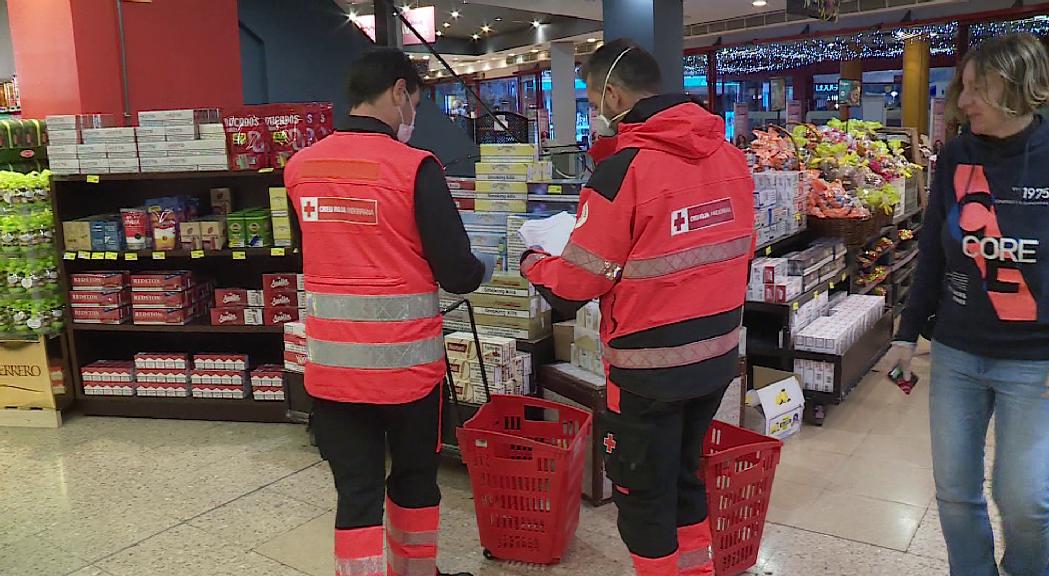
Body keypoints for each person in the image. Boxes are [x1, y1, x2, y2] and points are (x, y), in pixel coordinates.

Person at [520, 39, 755, 576]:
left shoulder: (622, 173)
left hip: (647, 372)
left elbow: (575, 284)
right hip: (717, 356)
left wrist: (534, 260)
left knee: (643, 497)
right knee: (685, 479)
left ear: (612, 94)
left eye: (592, 99)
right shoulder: (730, 157)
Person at [284, 47, 494, 576]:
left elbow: (304, 250)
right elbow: (456, 272)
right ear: (399, 92)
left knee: (355, 491)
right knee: (415, 479)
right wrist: (485, 266)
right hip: (406, 374)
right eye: (414, 103)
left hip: (333, 372)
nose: (412, 118)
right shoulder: (415, 168)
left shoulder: (300, 168)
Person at [884, 32, 1049, 576]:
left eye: (979, 87)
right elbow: (933, 249)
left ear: (1021, 86)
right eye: (963, 86)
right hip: (956, 354)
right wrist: (907, 334)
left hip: (1036, 363)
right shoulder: (956, 155)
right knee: (955, 493)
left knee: (1025, 500)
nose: (963, 100)